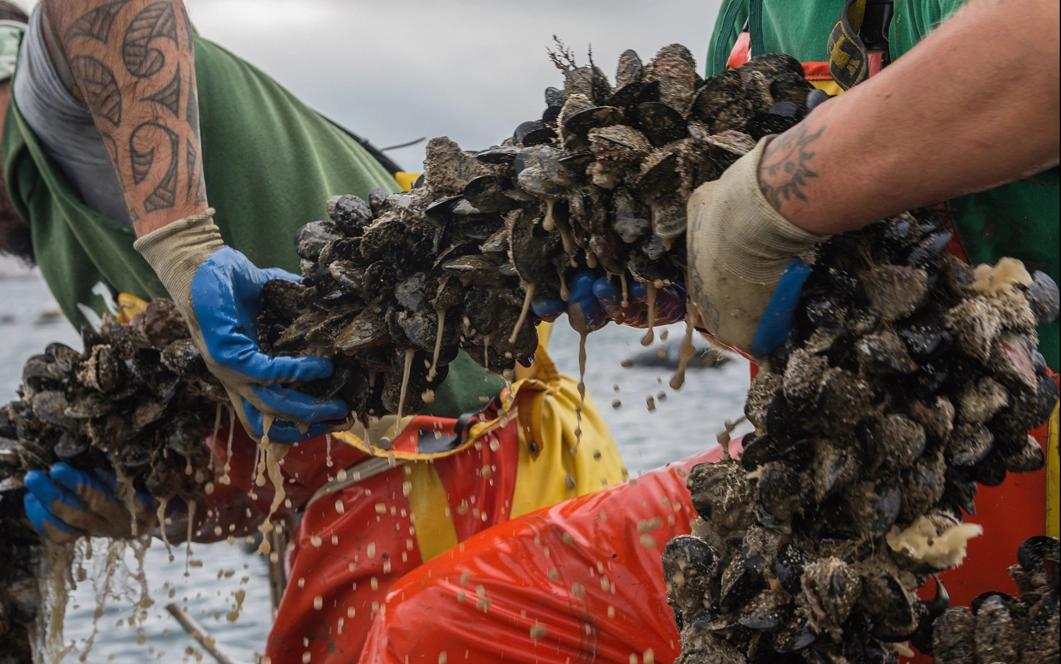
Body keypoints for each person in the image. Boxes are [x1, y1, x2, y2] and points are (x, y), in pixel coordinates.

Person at [0, 1, 634, 661]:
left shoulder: (50, 115)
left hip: (450, 489)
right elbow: (271, 471)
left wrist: (184, 246)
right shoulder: (59, 225)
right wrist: (154, 506)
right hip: (522, 470)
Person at [359, 0, 1059, 661]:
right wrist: (668, 271)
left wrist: (768, 199)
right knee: (439, 630)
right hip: (823, 490)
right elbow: (789, 296)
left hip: (1020, 495)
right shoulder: (748, 16)